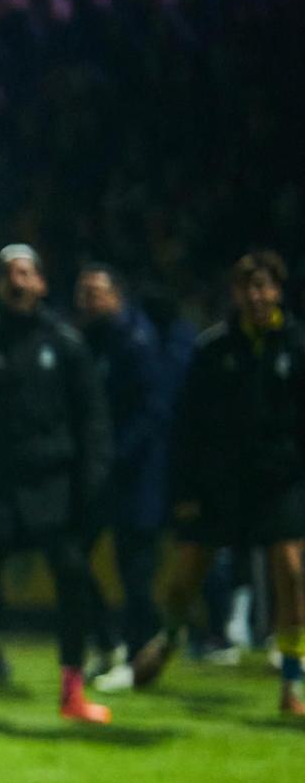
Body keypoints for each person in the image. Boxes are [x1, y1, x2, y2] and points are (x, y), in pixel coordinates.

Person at [0, 246, 113, 723]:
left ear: (41, 284)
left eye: (27, 272)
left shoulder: (65, 343)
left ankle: (72, 689)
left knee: (74, 577)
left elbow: (92, 420)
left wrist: (91, 484)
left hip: (51, 486)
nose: (18, 281)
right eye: (8, 273)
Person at [131, 251, 305, 716]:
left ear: (278, 292)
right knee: (186, 577)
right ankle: (168, 638)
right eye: (247, 287)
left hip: (279, 482)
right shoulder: (213, 350)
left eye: (264, 287)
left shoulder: (297, 346)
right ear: (235, 293)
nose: (255, 296)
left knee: (290, 571)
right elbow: (187, 427)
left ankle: (292, 681)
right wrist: (185, 492)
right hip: (222, 483)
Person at [73, 265, 174, 690]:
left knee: (134, 570)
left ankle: (137, 659)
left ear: (118, 295)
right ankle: (109, 643)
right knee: (72, 556)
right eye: (84, 293)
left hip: (136, 475)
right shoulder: (87, 342)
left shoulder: (135, 340)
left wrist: (111, 456)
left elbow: (151, 412)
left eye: (97, 292)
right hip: (100, 471)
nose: (89, 300)